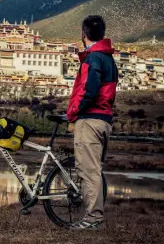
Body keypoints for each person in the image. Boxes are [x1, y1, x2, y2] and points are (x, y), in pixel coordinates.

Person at [66, 15, 118, 229]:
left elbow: (89, 90)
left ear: (83, 33)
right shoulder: (108, 58)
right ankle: (93, 216)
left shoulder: (93, 58)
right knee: (95, 170)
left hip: (90, 120)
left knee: (88, 171)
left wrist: (73, 113)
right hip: (104, 120)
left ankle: (93, 218)